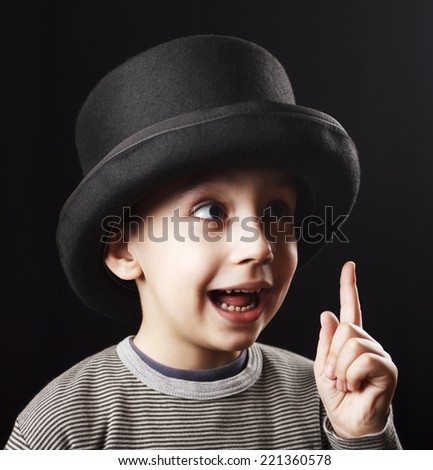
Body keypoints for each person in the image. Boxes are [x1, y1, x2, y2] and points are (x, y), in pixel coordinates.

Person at [5, 35, 401, 449]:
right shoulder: (65, 423)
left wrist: (362, 436)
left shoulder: (327, 400)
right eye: (212, 212)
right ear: (124, 249)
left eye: (277, 212)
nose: (260, 246)